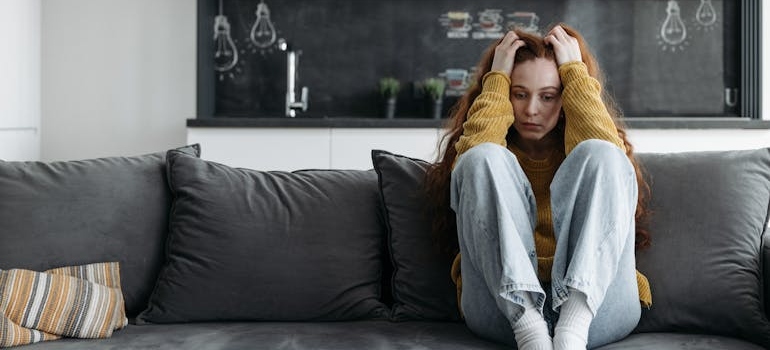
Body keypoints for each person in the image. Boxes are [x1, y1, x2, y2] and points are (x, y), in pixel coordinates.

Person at [423, 23, 652, 350]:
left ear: (566, 96)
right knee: (482, 156)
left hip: (596, 310)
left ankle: (572, 329)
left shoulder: (586, 149)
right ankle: (529, 327)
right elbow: (472, 162)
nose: (532, 110)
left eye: (548, 96)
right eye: (519, 94)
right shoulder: (492, 156)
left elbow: (611, 162)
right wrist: (496, 78)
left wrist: (574, 73)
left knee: (602, 153)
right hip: (503, 311)